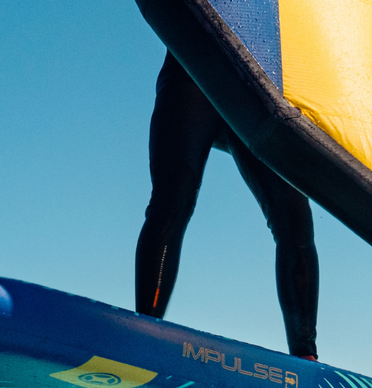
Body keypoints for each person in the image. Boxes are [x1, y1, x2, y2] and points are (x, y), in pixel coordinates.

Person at [135, 51, 320, 360]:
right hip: (193, 66)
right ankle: (143, 332)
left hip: (259, 87)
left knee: (295, 221)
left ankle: (305, 359)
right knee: (172, 201)